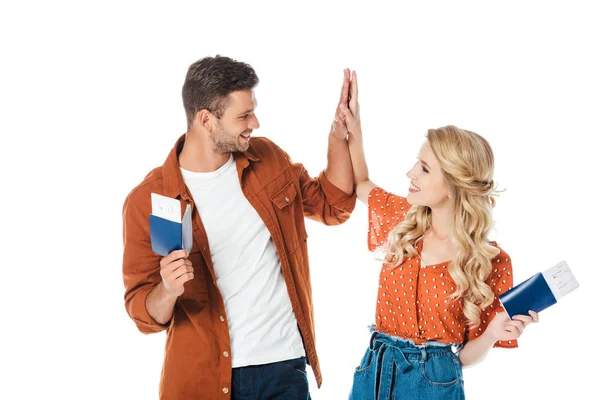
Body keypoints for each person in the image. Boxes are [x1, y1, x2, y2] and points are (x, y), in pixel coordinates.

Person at [121, 55, 356, 399]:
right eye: (243, 115)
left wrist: (339, 136)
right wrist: (168, 290)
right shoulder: (149, 199)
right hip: (201, 379)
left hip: (283, 368)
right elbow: (143, 312)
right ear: (206, 120)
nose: (255, 122)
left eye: (253, 110)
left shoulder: (268, 160)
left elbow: (331, 204)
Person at [336, 71, 539, 399]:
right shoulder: (402, 218)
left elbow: (465, 357)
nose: (410, 173)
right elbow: (361, 183)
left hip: (434, 383)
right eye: (417, 163)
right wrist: (354, 127)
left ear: (455, 185)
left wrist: (490, 334)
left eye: (425, 168)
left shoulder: (487, 260)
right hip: (373, 373)